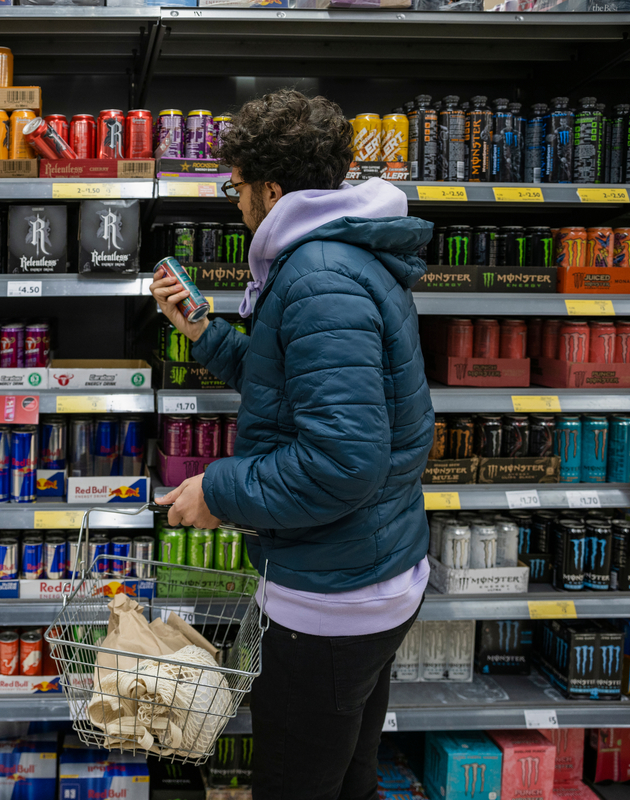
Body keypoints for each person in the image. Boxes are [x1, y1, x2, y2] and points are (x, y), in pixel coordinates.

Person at [151, 90, 435, 800]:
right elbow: (294, 385)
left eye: (236, 186)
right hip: (365, 575)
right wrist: (205, 334)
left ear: (271, 189)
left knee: (295, 784)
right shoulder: (334, 258)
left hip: (334, 601)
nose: (234, 201)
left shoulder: (315, 278)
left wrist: (216, 491)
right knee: (347, 779)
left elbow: (342, 461)